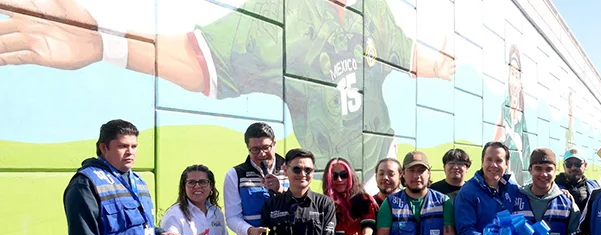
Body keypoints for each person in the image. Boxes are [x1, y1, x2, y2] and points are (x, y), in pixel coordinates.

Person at [0, 0, 454, 188]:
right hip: (321, 186)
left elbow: (398, 48)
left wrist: (438, 66)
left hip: (383, 171)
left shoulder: (372, 7)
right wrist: (104, 40)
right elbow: (203, 60)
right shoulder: (281, 14)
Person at [492, 45, 531, 183]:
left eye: (517, 75)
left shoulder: (522, 118)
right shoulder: (504, 111)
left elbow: (527, 155)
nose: (514, 81)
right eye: (511, 74)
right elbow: (493, 146)